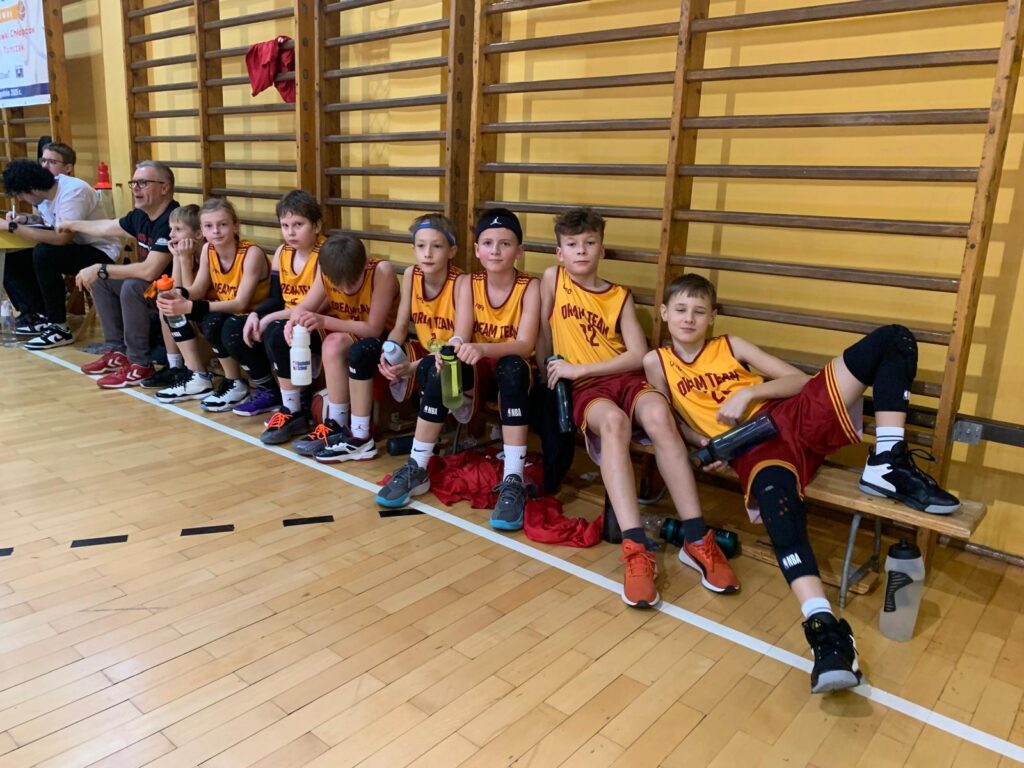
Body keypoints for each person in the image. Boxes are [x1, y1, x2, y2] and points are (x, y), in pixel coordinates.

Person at [645, 273, 960, 693]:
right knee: (779, 509)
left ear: (712, 317)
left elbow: (799, 381)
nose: (689, 318)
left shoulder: (731, 346)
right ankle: (825, 629)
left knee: (895, 339)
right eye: (681, 310)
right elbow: (669, 417)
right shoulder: (656, 362)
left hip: (792, 415)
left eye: (699, 311)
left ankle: (887, 460)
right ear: (664, 313)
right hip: (754, 448)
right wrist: (704, 442)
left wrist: (748, 394)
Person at [538, 208, 737, 610]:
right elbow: (544, 331)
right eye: (572, 245)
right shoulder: (552, 279)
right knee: (613, 423)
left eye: (590, 243)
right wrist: (549, 374)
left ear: (602, 249)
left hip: (623, 376)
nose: (581, 251)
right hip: (586, 389)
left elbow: (636, 354)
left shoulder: (620, 295)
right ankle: (635, 549)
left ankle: (696, 538)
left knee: (660, 416)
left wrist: (581, 367)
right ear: (560, 253)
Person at [383, 208, 541, 530]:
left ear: (519, 250)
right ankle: (418, 465)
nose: (495, 251)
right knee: (440, 365)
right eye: (488, 243)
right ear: (478, 250)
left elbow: (525, 345)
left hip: (514, 369)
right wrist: (451, 349)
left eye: (505, 244)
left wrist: (482, 348)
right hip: (478, 366)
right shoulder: (469, 282)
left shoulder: (531, 286)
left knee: (512, 368)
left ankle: (513, 479)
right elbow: (461, 332)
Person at [323, 214, 468, 496]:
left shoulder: (461, 282)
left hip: (450, 358)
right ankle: (360, 436)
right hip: (423, 350)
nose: (428, 253)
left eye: (436, 246)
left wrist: (411, 367)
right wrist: (387, 355)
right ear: (413, 249)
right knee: (364, 351)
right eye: (421, 246)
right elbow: (400, 328)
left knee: (434, 367)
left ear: (451, 251)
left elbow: (457, 343)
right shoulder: (412, 274)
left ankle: (420, 460)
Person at [59, 160, 179, 388]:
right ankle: (117, 351)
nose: (135, 188)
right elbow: (106, 227)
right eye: (134, 183)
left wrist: (101, 268)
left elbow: (150, 270)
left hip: (176, 292)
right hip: (153, 288)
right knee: (103, 281)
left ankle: (140, 363)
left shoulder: (172, 219)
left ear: (164, 187)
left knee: (132, 285)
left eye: (143, 183)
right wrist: (72, 224)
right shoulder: (141, 216)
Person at [277, 234, 398, 447]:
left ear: (365, 264)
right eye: (338, 285)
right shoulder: (326, 269)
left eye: (352, 283)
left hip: (385, 337)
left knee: (334, 343)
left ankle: (350, 426)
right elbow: (304, 306)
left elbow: (374, 329)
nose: (345, 290)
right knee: (285, 333)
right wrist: (293, 321)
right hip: (349, 329)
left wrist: (323, 320)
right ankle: (334, 423)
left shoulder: (381, 271)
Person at [154, 199, 271, 411]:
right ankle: (202, 377)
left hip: (255, 315)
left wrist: (191, 306)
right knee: (175, 310)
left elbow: (240, 303)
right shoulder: (209, 249)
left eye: (223, 224)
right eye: (209, 226)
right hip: (230, 312)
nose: (216, 231)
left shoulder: (251, 253)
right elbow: (197, 290)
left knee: (215, 321)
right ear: (202, 231)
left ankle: (239, 383)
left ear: (235, 226)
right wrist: (178, 294)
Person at [1, 159, 122, 348]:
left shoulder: (73, 192)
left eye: (21, 195)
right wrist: (25, 219)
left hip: (101, 252)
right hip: (76, 247)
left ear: (31, 189)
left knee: (44, 254)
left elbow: (60, 239)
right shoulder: (46, 194)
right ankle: (37, 314)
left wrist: (11, 227)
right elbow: (47, 221)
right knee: (12, 258)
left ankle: (59, 327)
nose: (21, 200)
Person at [237, 190, 326, 424]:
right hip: (287, 318)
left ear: (316, 226)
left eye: (298, 225)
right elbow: (276, 298)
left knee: (275, 331)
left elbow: (311, 307)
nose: (291, 232)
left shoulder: (325, 254)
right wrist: (256, 314)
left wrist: (267, 318)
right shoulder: (281, 252)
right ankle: (270, 392)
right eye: (285, 226)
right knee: (237, 326)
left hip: (318, 322)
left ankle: (294, 407)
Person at [139, 204, 203, 390]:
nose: (171, 234)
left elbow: (190, 294)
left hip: (205, 311)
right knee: (166, 303)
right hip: (195, 311)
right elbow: (176, 290)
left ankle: (194, 372)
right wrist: (177, 258)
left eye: (178, 229)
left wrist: (184, 259)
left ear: (198, 234)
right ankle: (175, 366)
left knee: (175, 307)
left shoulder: (205, 255)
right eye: (171, 229)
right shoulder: (186, 254)